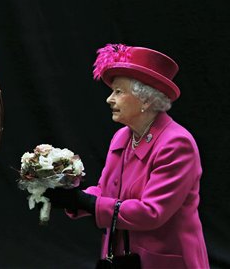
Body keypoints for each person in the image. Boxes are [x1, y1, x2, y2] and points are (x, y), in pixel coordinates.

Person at [45, 44, 209, 269]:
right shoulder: (123, 136)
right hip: (122, 256)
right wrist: (71, 196)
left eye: (119, 92)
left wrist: (89, 203)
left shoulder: (176, 144)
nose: (109, 99)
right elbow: (105, 191)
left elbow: (152, 212)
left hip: (163, 258)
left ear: (147, 100)